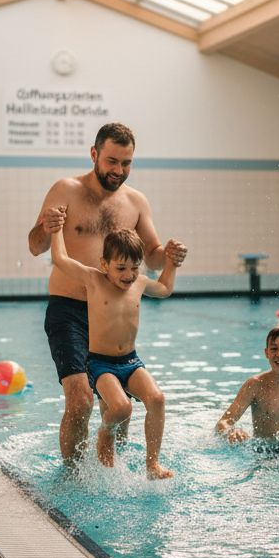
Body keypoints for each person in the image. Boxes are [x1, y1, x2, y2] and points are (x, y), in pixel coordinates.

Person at [26, 123, 186, 464]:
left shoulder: (135, 201)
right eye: (112, 161)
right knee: (81, 398)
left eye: (126, 163)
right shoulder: (66, 189)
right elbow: (35, 246)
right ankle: (72, 475)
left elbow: (152, 256)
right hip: (68, 310)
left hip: (111, 315)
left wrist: (170, 255)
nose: (119, 171)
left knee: (118, 405)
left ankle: (113, 471)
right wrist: (47, 227)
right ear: (95, 154)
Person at [49, 225, 179, 478]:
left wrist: (171, 263)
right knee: (121, 408)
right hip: (100, 364)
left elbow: (164, 289)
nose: (129, 275)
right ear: (104, 264)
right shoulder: (94, 279)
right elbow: (61, 259)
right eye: (121, 268)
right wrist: (56, 230)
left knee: (157, 400)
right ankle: (104, 433)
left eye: (134, 267)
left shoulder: (139, 283)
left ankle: (152, 464)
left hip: (130, 360)